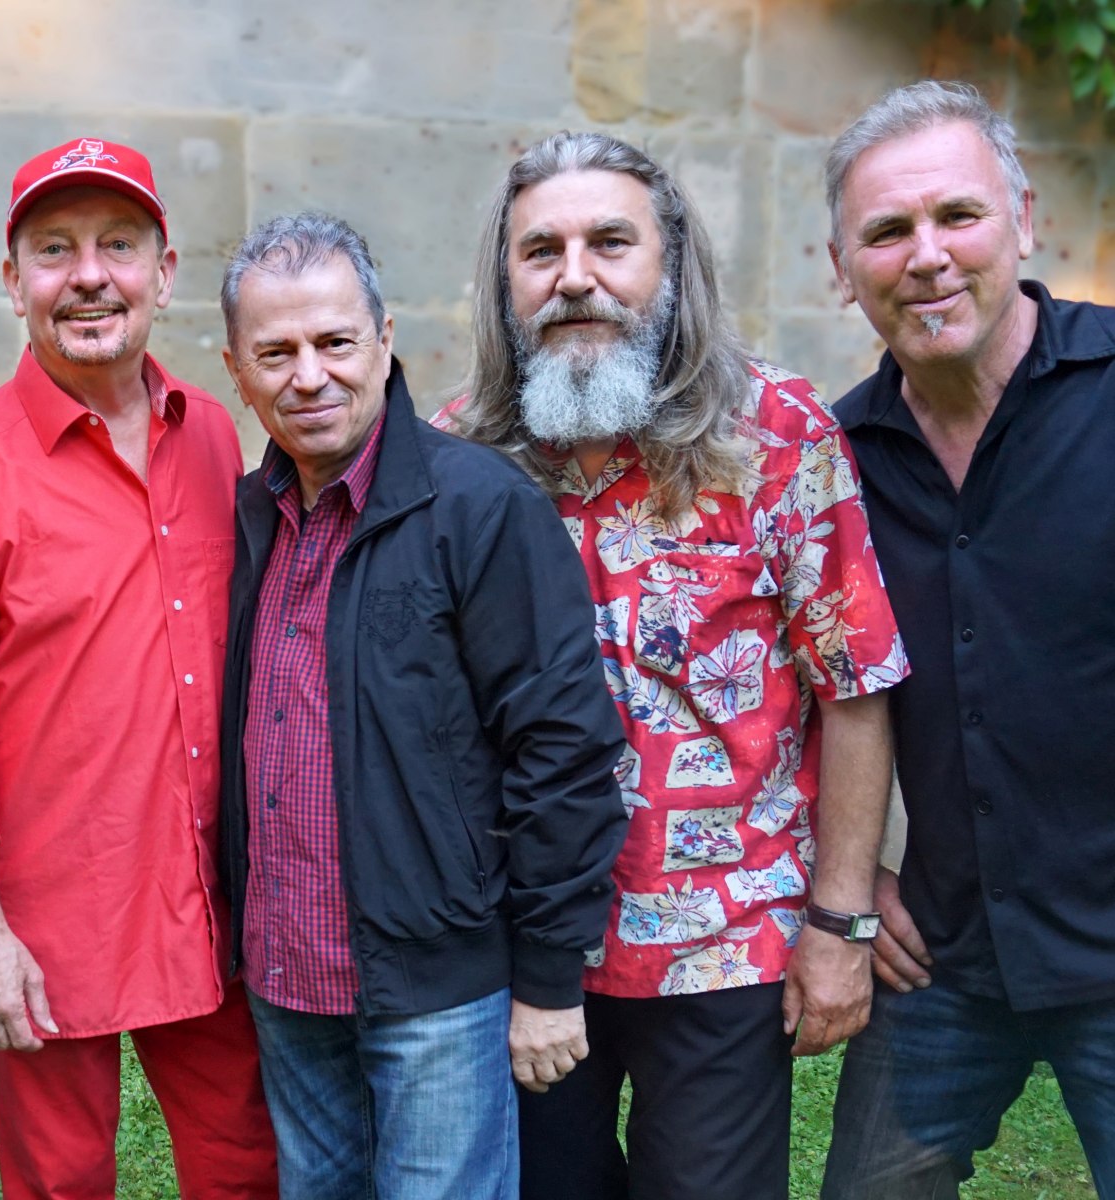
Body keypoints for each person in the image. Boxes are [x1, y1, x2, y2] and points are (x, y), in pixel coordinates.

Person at [445, 131, 906, 1200]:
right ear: (505, 281)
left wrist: (840, 922)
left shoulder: (779, 436)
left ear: (673, 261)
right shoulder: (460, 456)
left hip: (724, 941)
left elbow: (855, 686)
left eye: (611, 242)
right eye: (540, 250)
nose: (575, 277)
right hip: (524, 943)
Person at [0, 137, 279, 1199]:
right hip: (53, 916)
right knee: (58, 1183)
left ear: (165, 271)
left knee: (249, 1166)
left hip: (215, 899)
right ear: (14, 284)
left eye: (118, 245)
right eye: (55, 250)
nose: (90, 275)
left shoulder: (214, 437)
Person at [217, 211, 629, 1200]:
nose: (308, 376)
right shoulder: (251, 513)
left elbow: (566, 748)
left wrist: (549, 978)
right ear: (235, 369)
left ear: (385, 338)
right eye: (275, 353)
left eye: (335, 342)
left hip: (438, 991)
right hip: (286, 977)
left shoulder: (479, 506)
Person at [820, 81, 1115, 1199]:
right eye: (888, 231)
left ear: (1023, 220)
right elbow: (769, 695)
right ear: (842, 267)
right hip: (943, 951)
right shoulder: (830, 464)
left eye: (958, 215)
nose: (928, 256)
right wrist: (848, 873)